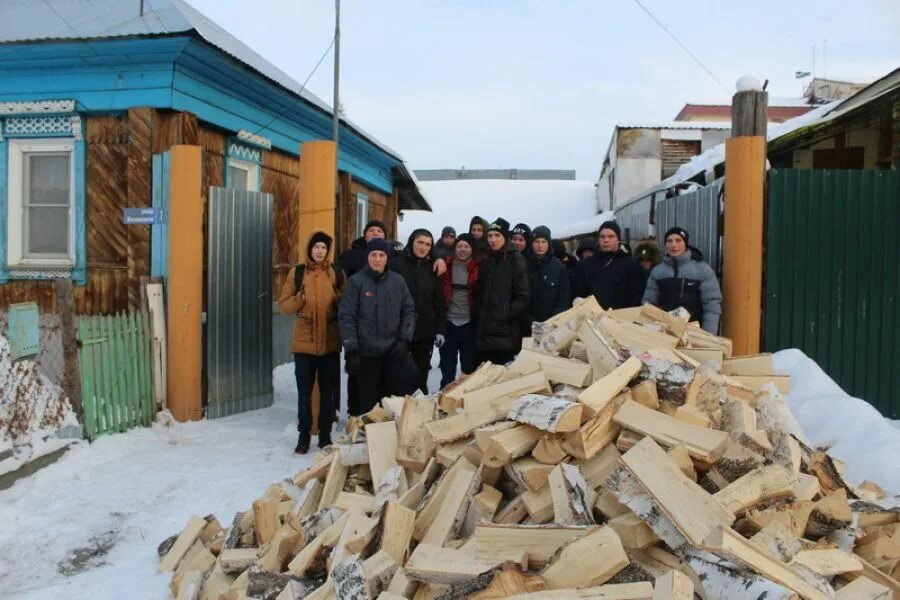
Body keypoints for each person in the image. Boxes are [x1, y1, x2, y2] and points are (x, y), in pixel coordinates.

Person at [278, 231, 342, 454]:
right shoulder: (297, 273)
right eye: (316, 247)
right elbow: (284, 307)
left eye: (323, 248)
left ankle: (325, 436)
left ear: (328, 251)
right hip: (304, 343)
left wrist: (338, 298)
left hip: (329, 342)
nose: (319, 251)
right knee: (304, 394)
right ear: (309, 249)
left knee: (327, 394)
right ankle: (303, 436)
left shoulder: (336, 273)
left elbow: (347, 302)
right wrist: (300, 299)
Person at [339, 238, 418, 414]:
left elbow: (409, 311)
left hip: (393, 351)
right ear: (367, 256)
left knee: (395, 403)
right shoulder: (356, 282)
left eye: (381, 255)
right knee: (368, 406)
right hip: (367, 355)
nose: (377, 259)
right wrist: (351, 349)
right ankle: (369, 439)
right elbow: (346, 316)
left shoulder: (398, 281)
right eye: (373, 255)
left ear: (387, 257)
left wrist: (404, 339)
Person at [390, 229, 447, 394]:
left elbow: (439, 302)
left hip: (424, 330)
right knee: (399, 375)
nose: (423, 247)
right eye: (420, 242)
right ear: (412, 242)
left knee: (421, 375)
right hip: (399, 331)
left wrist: (440, 329)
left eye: (428, 244)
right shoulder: (396, 265)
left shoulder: (434, 268)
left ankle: (419, 410)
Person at [643, 227, 722, 334]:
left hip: (694, 333)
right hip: (665, 333)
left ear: (686, 243)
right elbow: (649, 304)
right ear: (665, 245)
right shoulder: (658, 272)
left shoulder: (702, 270)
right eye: (669, 241)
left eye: (678, 240)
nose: (674, 245)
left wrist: (709, 334)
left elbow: (712, 305)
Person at [473, 218, 530, 365]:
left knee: (500, 378)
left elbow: (523, 295)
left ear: (505, 237)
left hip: (505, 333)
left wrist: (505, 314)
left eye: (497, 236)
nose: (493, 239)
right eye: (490, 236)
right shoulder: (487, 258)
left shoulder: (515, 259)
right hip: (484, 330)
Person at [573, 221, 645, 309]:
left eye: (611, 236)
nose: (606, 240)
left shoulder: (631, 265)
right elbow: (578, 296)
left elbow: (636, 298)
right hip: (592, 319)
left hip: (622, 319)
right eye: (602, 237)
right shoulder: (584, 266)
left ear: (618, 239)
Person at [439, 233, 479, 388]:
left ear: (472, 249)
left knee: (468, 370)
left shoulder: (478, 268)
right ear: (454, 249)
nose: (463, 250)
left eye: (466, 246)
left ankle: (465, 403)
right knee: (447, 370)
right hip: (449, 323)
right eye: (459, 246)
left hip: (469, 324)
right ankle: (444, 402)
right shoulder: (446, 266)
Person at [527, 226, 571, 324]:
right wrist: (529, 320)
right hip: (528, 325)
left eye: (543, 242)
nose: (540, 245)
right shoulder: (524, 266)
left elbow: (564, 299)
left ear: (549, 244)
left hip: (554, 324)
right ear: (531, 244)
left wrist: (553, 320)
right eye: (536, 241)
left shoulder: (559, 268)